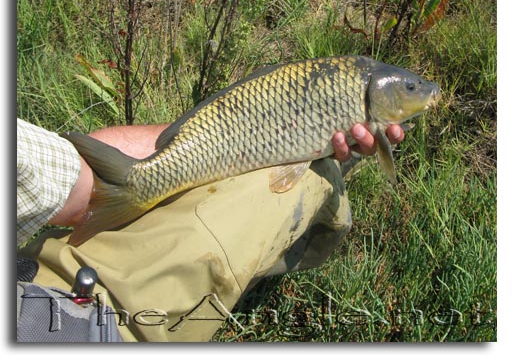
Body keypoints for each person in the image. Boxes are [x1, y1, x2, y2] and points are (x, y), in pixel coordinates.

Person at [17, 118, 404, 342]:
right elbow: (73, 190)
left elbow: (69, 183)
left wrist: (229, 130)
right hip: (82, 327)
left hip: (39, 282)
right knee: (303, 180)